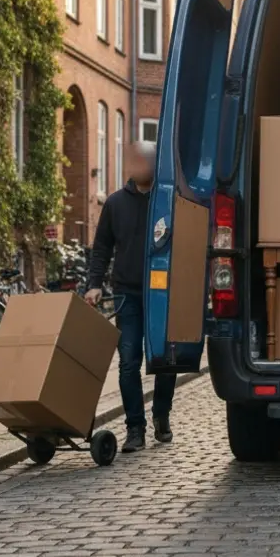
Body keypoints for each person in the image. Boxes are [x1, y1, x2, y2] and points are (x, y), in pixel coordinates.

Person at [84, 141, 174, 453]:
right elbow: (102, 248)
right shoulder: (115, 204)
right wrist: (95, 284)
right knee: (128, 362)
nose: (140, 166)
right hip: (128, 293)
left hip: (162, 292)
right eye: (135, 161)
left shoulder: (166, 202)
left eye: (145, 161)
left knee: (164, 360)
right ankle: (135, 428)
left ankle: (161, 414)